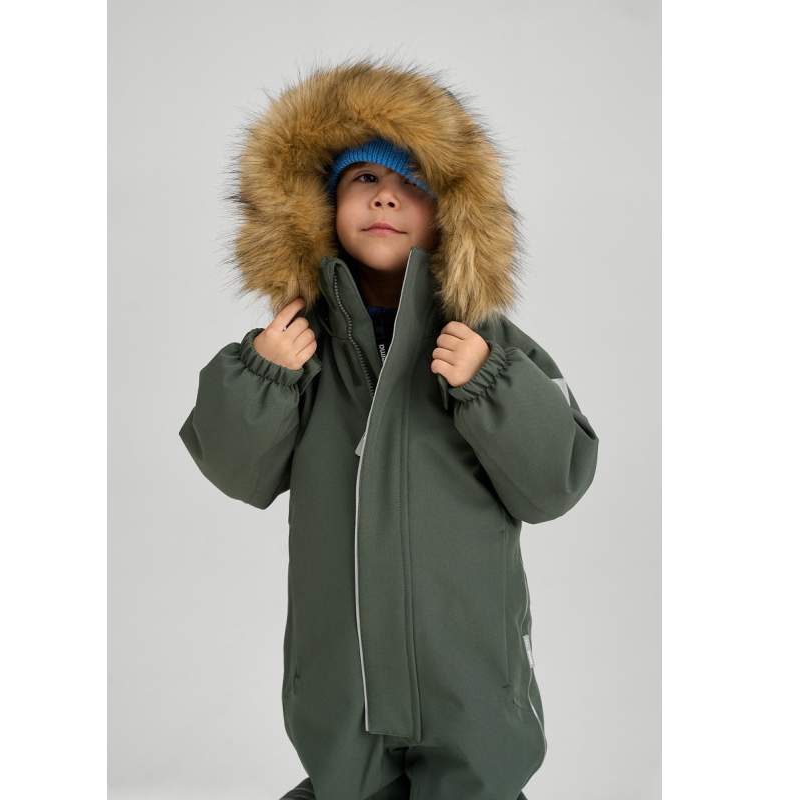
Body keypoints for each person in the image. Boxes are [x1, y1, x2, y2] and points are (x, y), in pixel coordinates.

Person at [178, 57, 599, 800]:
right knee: (346, 784)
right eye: (364, 178)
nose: (386, 197)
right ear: (319, 204)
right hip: (340, 679)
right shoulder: (294, 346)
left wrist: (492, 386)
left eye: (413, 183)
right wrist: (264, 377)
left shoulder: (491, 345)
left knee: (478, 783)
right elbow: (239, 472)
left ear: (452, 212)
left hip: (472, 674)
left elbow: (554, 482)